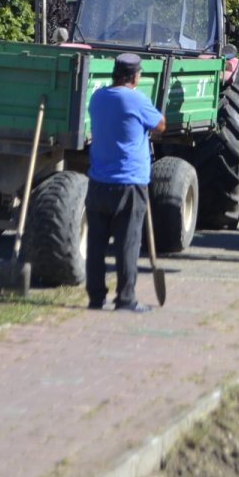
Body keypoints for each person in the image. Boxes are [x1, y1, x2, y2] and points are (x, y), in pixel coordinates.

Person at [85, 52, 166, 313]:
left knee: (96, 244)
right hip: (130, 182)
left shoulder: (97, 98)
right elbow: (160, 125)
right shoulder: (137, 100)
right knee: (127, 243)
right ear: (135, 76)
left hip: (98, 181)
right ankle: (126, 298)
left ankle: (95, 298)